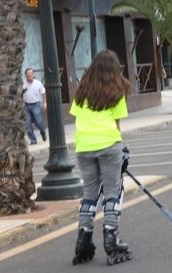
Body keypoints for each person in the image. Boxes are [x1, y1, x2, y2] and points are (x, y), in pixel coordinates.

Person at [70, 50, 132, 265]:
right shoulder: (117, 90)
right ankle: (110, 237)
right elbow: (116, 125)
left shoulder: (81, 90)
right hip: (108, 144)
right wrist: (122, 150)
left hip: (84, 146)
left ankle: (84, 237)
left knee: (90, 193)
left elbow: (78, 118)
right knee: (113, 191)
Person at [22, 68, 47, 145]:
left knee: (39, 121)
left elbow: (43, 93)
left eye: (30, 74)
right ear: (25, 75)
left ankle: (43, 133)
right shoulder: (23, 83)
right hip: (26, 105)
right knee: (27, 124)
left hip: (36, 104)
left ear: (33, 74)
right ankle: (33, 140)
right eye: (27, 74)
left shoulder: (38, 83)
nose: (29, 75)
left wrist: (45, 103)